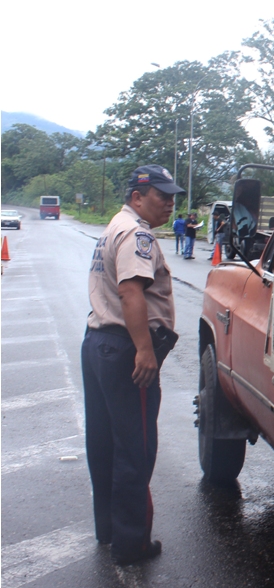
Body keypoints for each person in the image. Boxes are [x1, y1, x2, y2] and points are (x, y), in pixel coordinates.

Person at [81, 164, 183, 565]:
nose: (171, 204)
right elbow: (130, 293)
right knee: (135, 448)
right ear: (137, 197)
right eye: (162, 196)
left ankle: (109, 529)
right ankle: (132, 543)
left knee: (104, 443)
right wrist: (144, 350)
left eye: (173, 196)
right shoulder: (137, 233)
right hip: (125, 350)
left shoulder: (114, 225)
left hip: (99, 343)